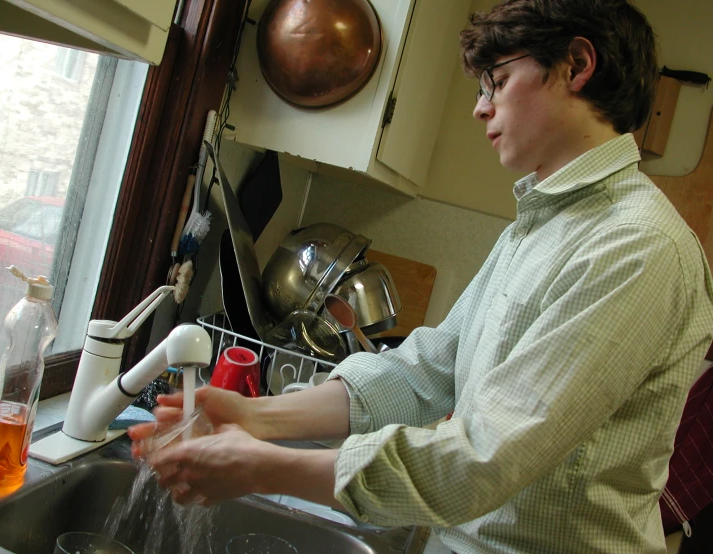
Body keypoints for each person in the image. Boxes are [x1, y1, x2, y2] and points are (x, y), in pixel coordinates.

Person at [129, 0, 713, 552]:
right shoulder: (539, 225)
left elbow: (484, 458)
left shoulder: (637, 247)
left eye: (497, 83)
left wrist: (259, 464)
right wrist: (258, 417)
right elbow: (428, 371)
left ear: (577, 65)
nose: (480, 108)